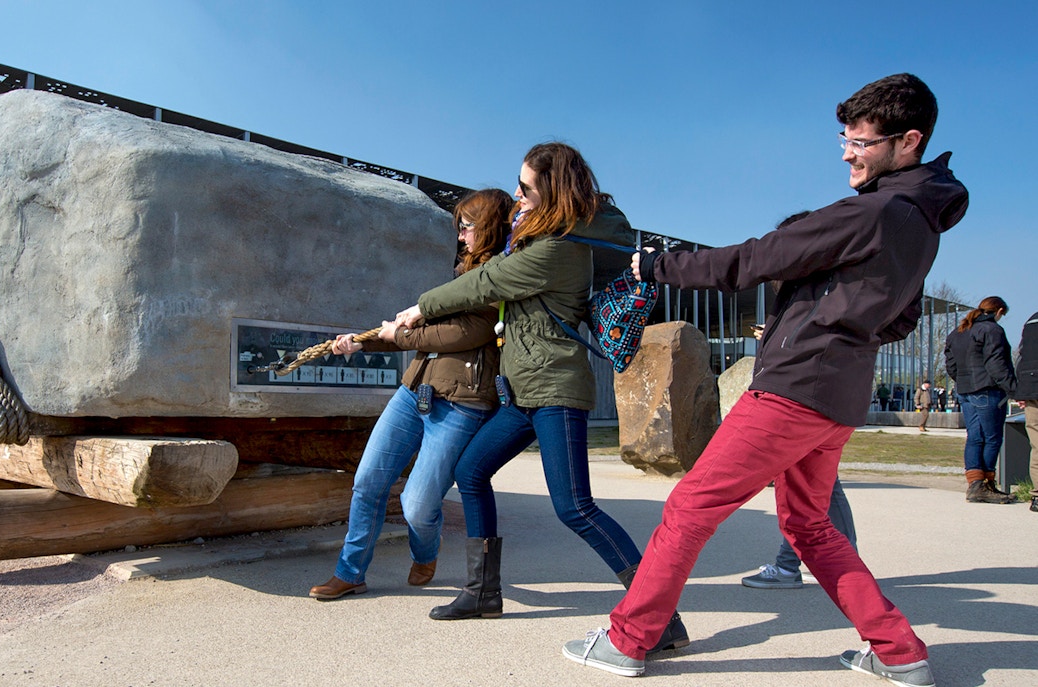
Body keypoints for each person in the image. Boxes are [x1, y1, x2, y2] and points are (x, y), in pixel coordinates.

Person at [563, 73, 965, 687]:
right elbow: (901, 319)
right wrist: (835, 332)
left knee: (689, 508)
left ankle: (627, 640)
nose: (847, 152)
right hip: (838, 396)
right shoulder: (921, 226)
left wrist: (654, 266)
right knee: (808, 525)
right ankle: (899, 651)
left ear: (908, 141)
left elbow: (754, 259)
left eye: (861, 142)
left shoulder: (873, 211)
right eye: (845, 138)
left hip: (793, 391)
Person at [394, 142, 686, 649]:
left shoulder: (556, 251)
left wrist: (421, 308)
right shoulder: (539, 239)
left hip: (556, 389)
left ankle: (658, 617)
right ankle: (483, 592)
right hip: (524, 392)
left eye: (525, 187)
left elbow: (486, 283)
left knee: (575, 507)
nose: (516, 195)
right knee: (471, 471)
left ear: (550, 191)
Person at [308, 189, 512, 600]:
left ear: (488, 227)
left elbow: (465, 333)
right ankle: (350, 573)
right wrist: (363, 343)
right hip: (413, 393)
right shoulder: (459, 274)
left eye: (467, 227)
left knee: (419, 505)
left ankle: (425, 551)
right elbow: (421, 338)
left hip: (462, 404)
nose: (462, 236)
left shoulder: (500, 275)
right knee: (368, 481)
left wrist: (400, 334)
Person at [738, 212, 859, 591]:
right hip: (815, 401)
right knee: (813, 492)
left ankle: (824, 562)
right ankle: (809, 563)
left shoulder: (815, 292)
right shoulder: (818, 291)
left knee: (700, 500)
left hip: (801, 401)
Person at [944, 296, 1018, 504]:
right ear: (999, 310)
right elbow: (997, 364)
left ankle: (975, 485)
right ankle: (986, 484)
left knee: (975, 437)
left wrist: (962, 381)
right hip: (987, 389)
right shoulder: (992, 330)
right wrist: (1014, 389)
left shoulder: (957, 332)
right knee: (992, 438)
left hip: (965, 390)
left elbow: (950, 364)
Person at [1015, 311, 1038, 513]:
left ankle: (1037, 496)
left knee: (1037, 444)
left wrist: (1021, 390)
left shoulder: (1031, 321)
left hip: (1031, 387)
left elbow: (1021, 357)